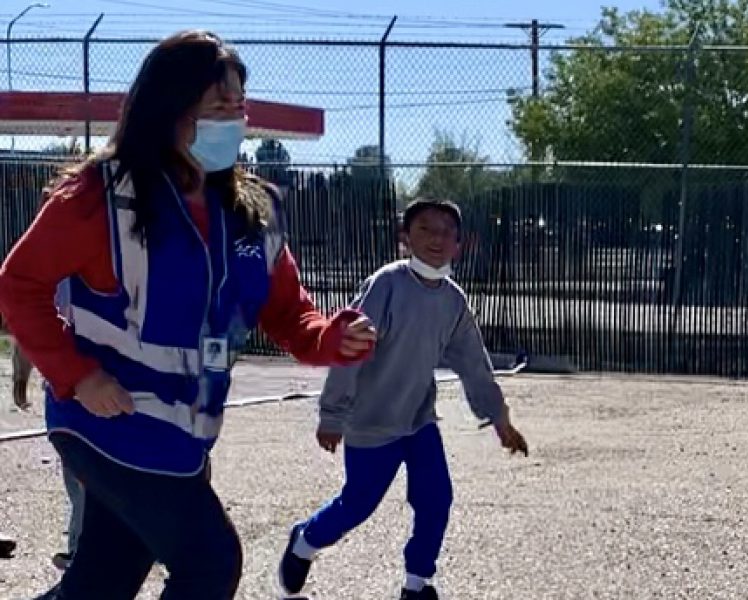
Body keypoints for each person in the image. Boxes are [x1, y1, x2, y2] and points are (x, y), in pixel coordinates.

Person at [0, 30, 377, 599]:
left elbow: (287, 312)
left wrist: (330, 337)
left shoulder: (252, 212)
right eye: (218, 106)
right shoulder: (102, 195)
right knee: (210, 562)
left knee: (103, 578)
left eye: (239, 107)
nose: (234, 121)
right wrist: (78, 376)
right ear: (169, 108)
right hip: (103, 424)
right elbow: (19, 284)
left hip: (181, 438)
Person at [277, 198, 530, 600]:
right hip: (372, 422)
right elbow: (349, 348)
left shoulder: (453, 300)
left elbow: (473, 363)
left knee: (436, 498)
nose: (437, 238)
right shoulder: (386, 285)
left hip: (418, 420)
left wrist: (499, 418)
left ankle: (416, 584)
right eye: (425, 228)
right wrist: (333, 415)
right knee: (357, 505)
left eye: (447, 231)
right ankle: (304, 542)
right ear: (405, 238)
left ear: (459, 245)